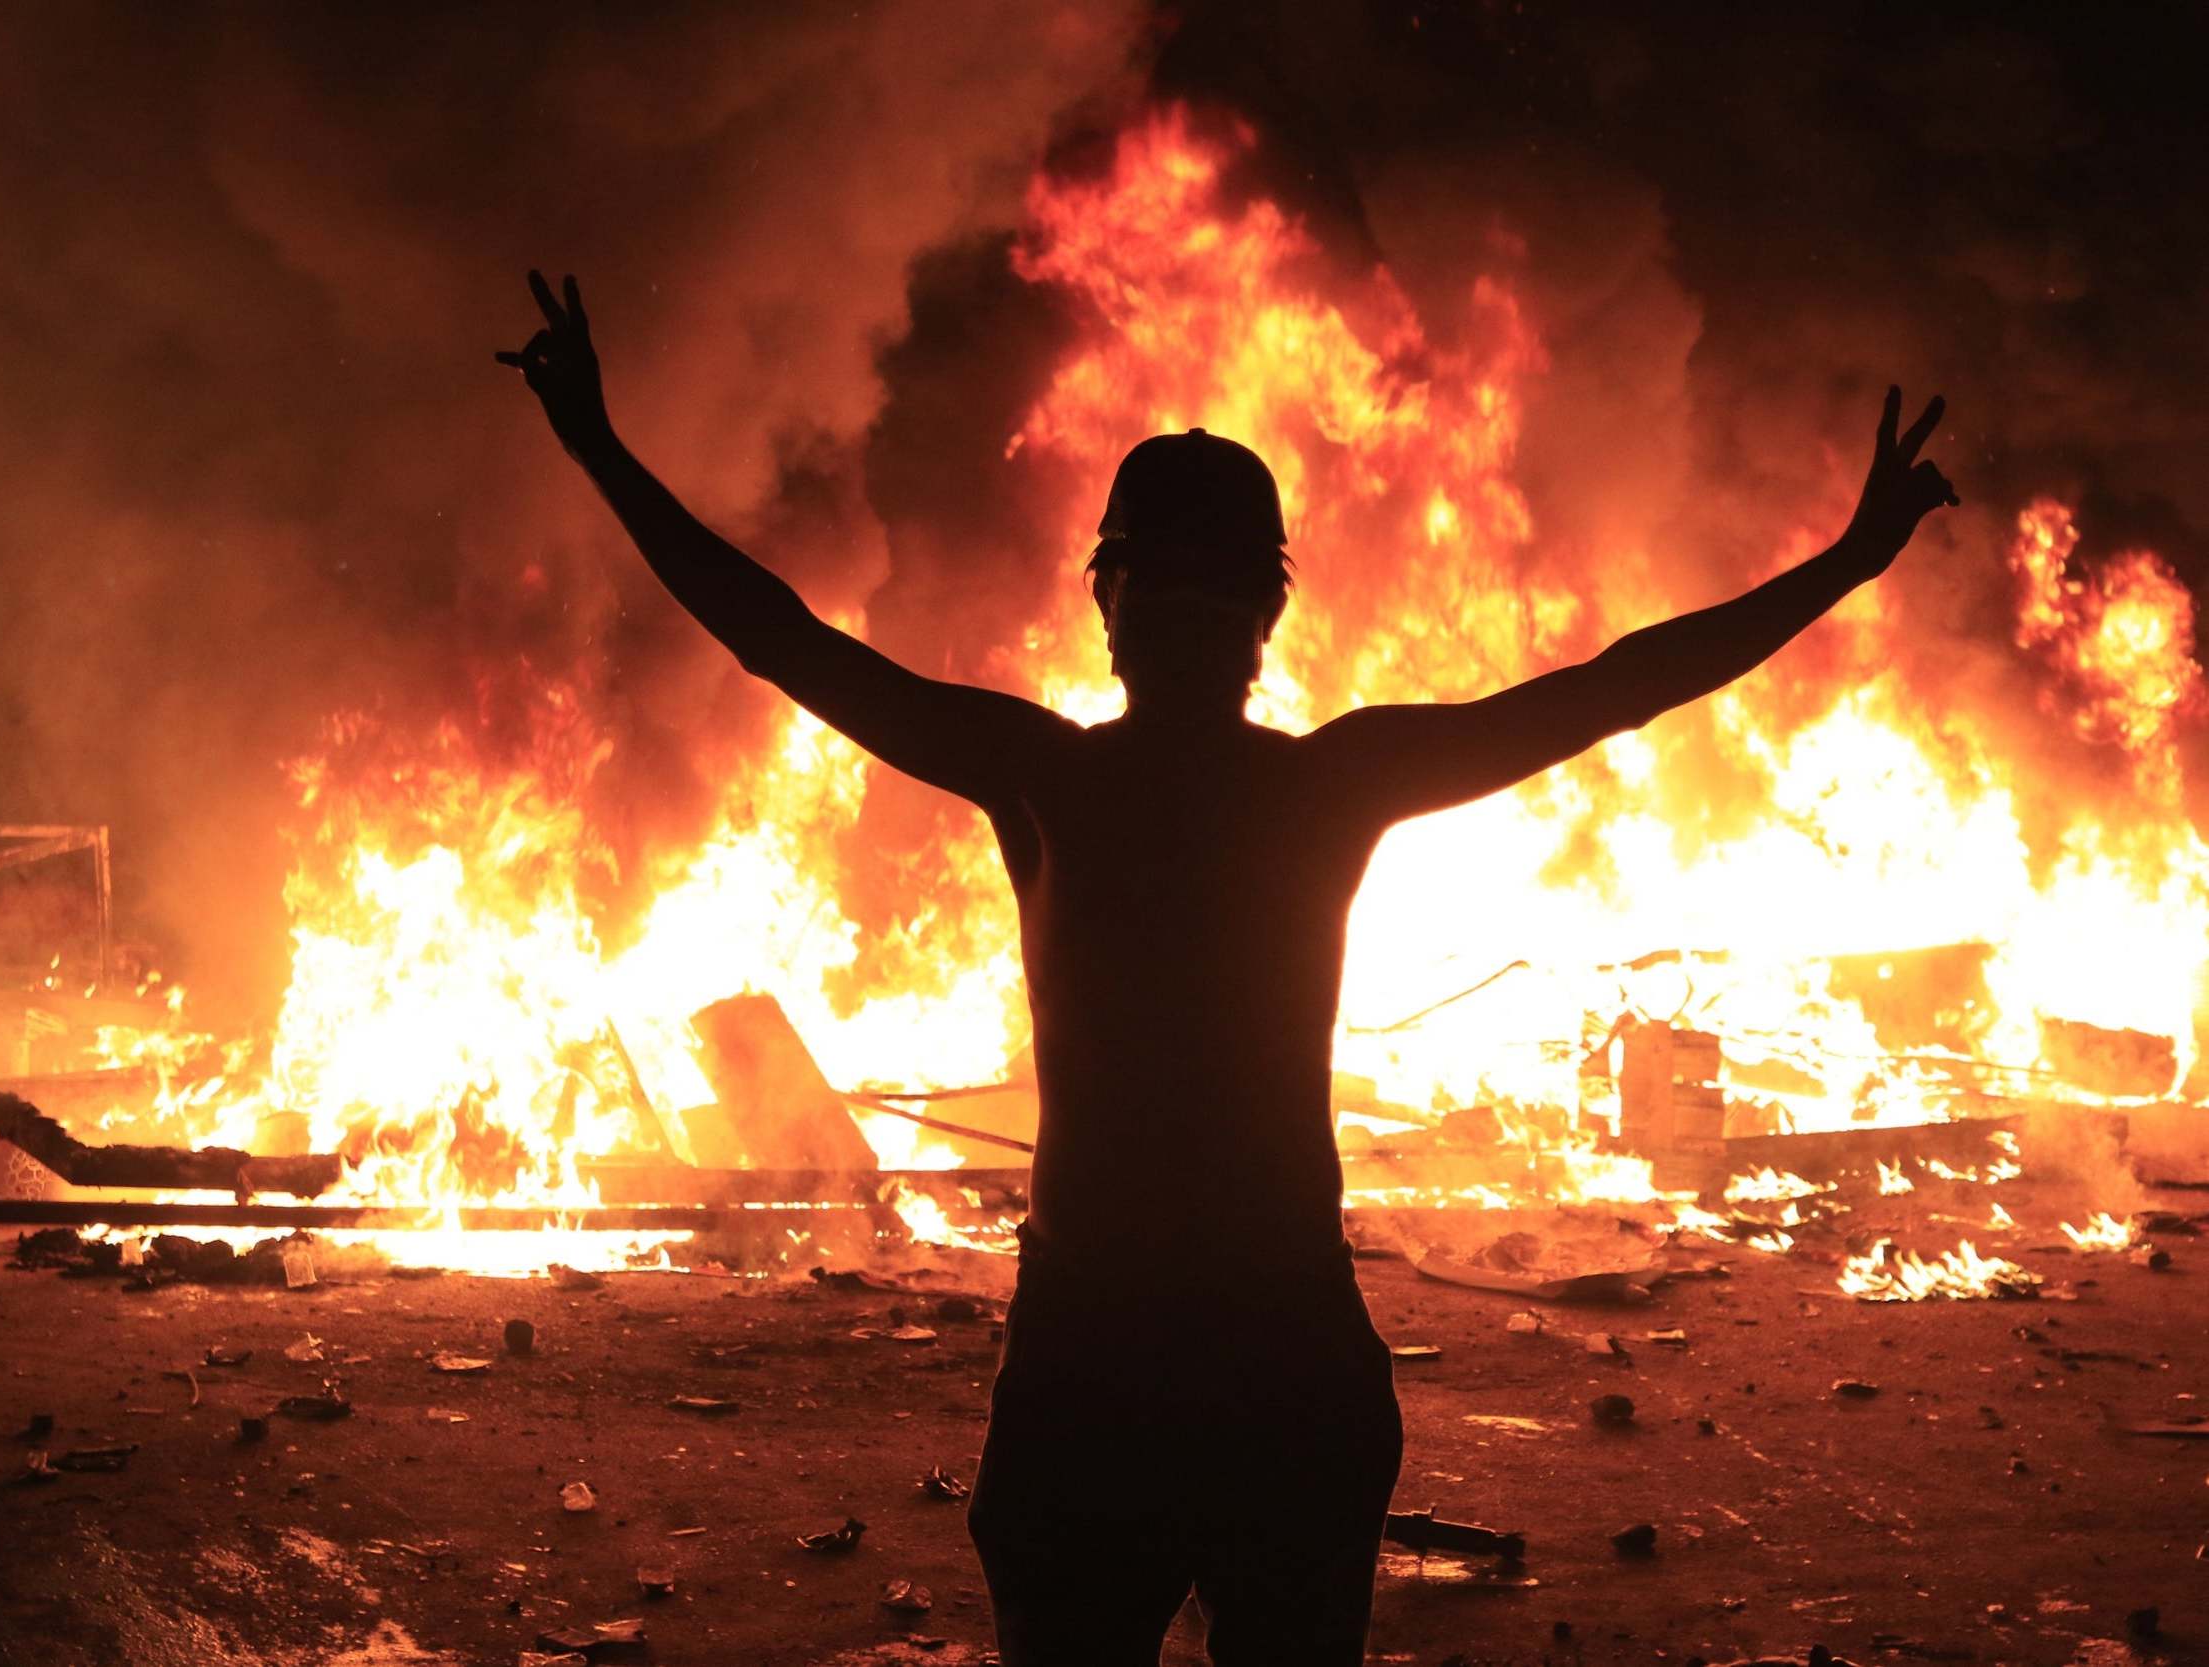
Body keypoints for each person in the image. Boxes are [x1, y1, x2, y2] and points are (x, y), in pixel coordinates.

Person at [498, 270, 1958, 1665]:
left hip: (1098, 1363)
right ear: (1269, 613)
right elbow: (1615, 687)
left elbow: (784, 643)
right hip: (1281, 1356)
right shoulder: (1326, 782)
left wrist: (602, 452)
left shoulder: (1046, 778)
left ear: (1103, 601)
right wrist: (1842, 561)